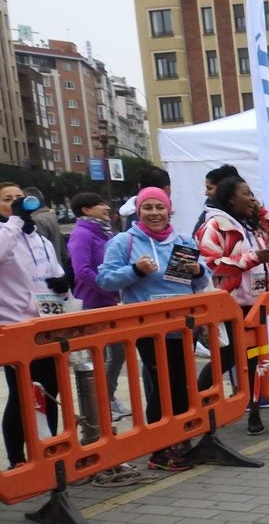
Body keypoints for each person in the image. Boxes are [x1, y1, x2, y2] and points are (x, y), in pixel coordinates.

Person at [96, 187, 210, 471]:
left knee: (183, 385)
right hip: (148, 329)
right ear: (138, 210)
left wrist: (199, 272)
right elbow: (105, 281)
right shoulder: (125, 242)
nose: (155, 213)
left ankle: (181, 440)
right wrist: (134, 271)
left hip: (183, 327)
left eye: (160, 207)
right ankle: (159, 450)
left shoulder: (182, 240)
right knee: (163, 387)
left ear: (169, 210)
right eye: (148, 208)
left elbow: (194, 284)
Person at [195, 176, 269, 435]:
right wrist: (251, 258)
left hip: (256, 305)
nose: (252, 197)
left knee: (257, 360)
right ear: (231, 198)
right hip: (230, 306)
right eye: (246, 193)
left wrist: (262, 214)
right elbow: (209, 264)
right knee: (226, 358)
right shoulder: (215, 225)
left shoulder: (251, 223)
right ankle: (196, 410)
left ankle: (254, 414)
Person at [1, 188, 65, 469]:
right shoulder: (5, 234)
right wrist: (15, 220)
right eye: (7, 198)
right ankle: (18, 460)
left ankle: (48, 451)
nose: (16, 201)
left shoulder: (39, 237)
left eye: (19, 196)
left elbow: (54, 273)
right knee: (21, 396)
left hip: (45, 326)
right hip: (14, 327)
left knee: (50, 392)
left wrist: (63, 285)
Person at [67, 192, 129, 419]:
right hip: (92, 303)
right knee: (98, 357)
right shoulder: (81, 234)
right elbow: (82, 271)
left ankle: (108, 397)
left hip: (111, 302)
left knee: (119, 353)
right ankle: (99, 406)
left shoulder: (105, 232)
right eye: (100, 204)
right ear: (86, 210)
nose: (105, 207)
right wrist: (109, 286)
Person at [192, 164, 241, 236]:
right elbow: (196, 238)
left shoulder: (250, 214)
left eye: (210, 188)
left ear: (223, 188)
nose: (206, 193)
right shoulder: (210, 213)